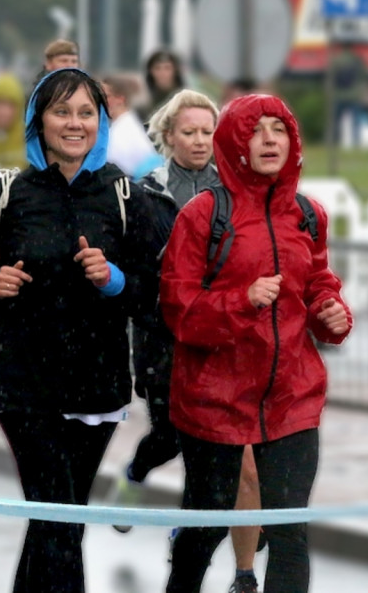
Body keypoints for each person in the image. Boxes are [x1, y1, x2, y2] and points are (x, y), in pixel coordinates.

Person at [0, 68, 157, 593]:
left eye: (87, 113)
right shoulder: (11, 190)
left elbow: (153, 287)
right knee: (58, 514)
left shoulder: (125, 194)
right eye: (62, 111)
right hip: (24, 381)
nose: (75, 123)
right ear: (39, 119)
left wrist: (115, 280)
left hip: (97, 379)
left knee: (57, 517)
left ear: (101, 122)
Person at [161, 94, 351, 593]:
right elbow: (178, 309)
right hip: (213, 401)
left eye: (279, 129)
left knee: (290, 536)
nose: (269, 140)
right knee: (205, 530)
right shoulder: (204, 214)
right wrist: (241, 301)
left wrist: (332, 314)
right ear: (234, 141)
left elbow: (316, 285)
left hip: (291, 395)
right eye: (255, 130)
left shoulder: (309, 215)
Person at [107, 88, 220, 515]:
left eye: (207, 132)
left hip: (214, 334)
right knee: (170, 436)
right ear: (169, 135)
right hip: (160, 336)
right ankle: (136, 472)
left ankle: (189, 531)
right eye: (189, 131)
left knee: (207, 443)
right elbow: (131, 268)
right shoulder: (145, 194)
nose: (199, 140)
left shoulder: (231, 192)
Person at [101, 73, 163, 180]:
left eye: (106, 96)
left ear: (120, 99)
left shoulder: (122, 132)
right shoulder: (126, 125)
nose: (100, 101)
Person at [141, 49, 185, 120]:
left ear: (175, 70)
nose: (162, 73)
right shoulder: (143, 103)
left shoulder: (184, 99)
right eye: (157, 68)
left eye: (167, 68)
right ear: (151, 71)